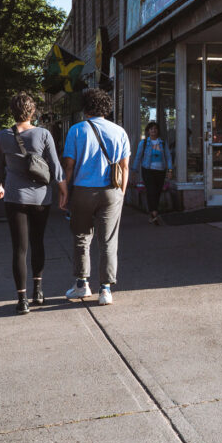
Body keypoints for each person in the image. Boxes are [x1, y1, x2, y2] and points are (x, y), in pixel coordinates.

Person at [0, 92, 67, 315]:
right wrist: (63, 191)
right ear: (32, 112)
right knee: (38, 242)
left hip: (14, 197)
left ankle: (22, 300)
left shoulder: (3, 136)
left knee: (19, 249)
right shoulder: (43, 134)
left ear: (12, 112)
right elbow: (55, 165)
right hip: (41, 198)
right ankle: (38, 291)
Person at [62, 89, 130, 306]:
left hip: (83, 190)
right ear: (106, 108)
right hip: (111, 190)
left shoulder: (76, 130)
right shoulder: (119, 131)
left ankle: (82, 284)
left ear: (85, 107)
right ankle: (105, 289)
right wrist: (122, 193)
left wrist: (64, 192)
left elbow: (69, 166)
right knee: (108, 240)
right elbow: (124, 167)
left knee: (82, 237)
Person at [132, 121, 172, 224]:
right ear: (148, 131)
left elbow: (168, 156)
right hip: (148, 170)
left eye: (155, 129)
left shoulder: (162, 143)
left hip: (161, 170)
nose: (153, 130)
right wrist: (134, 170)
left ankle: (152, 212)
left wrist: (170, 170)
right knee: (151, 191)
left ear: (157, 130)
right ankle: (154, 213)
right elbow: (138, 157)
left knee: (158, 192)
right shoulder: (144, 143)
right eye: (151, 129)